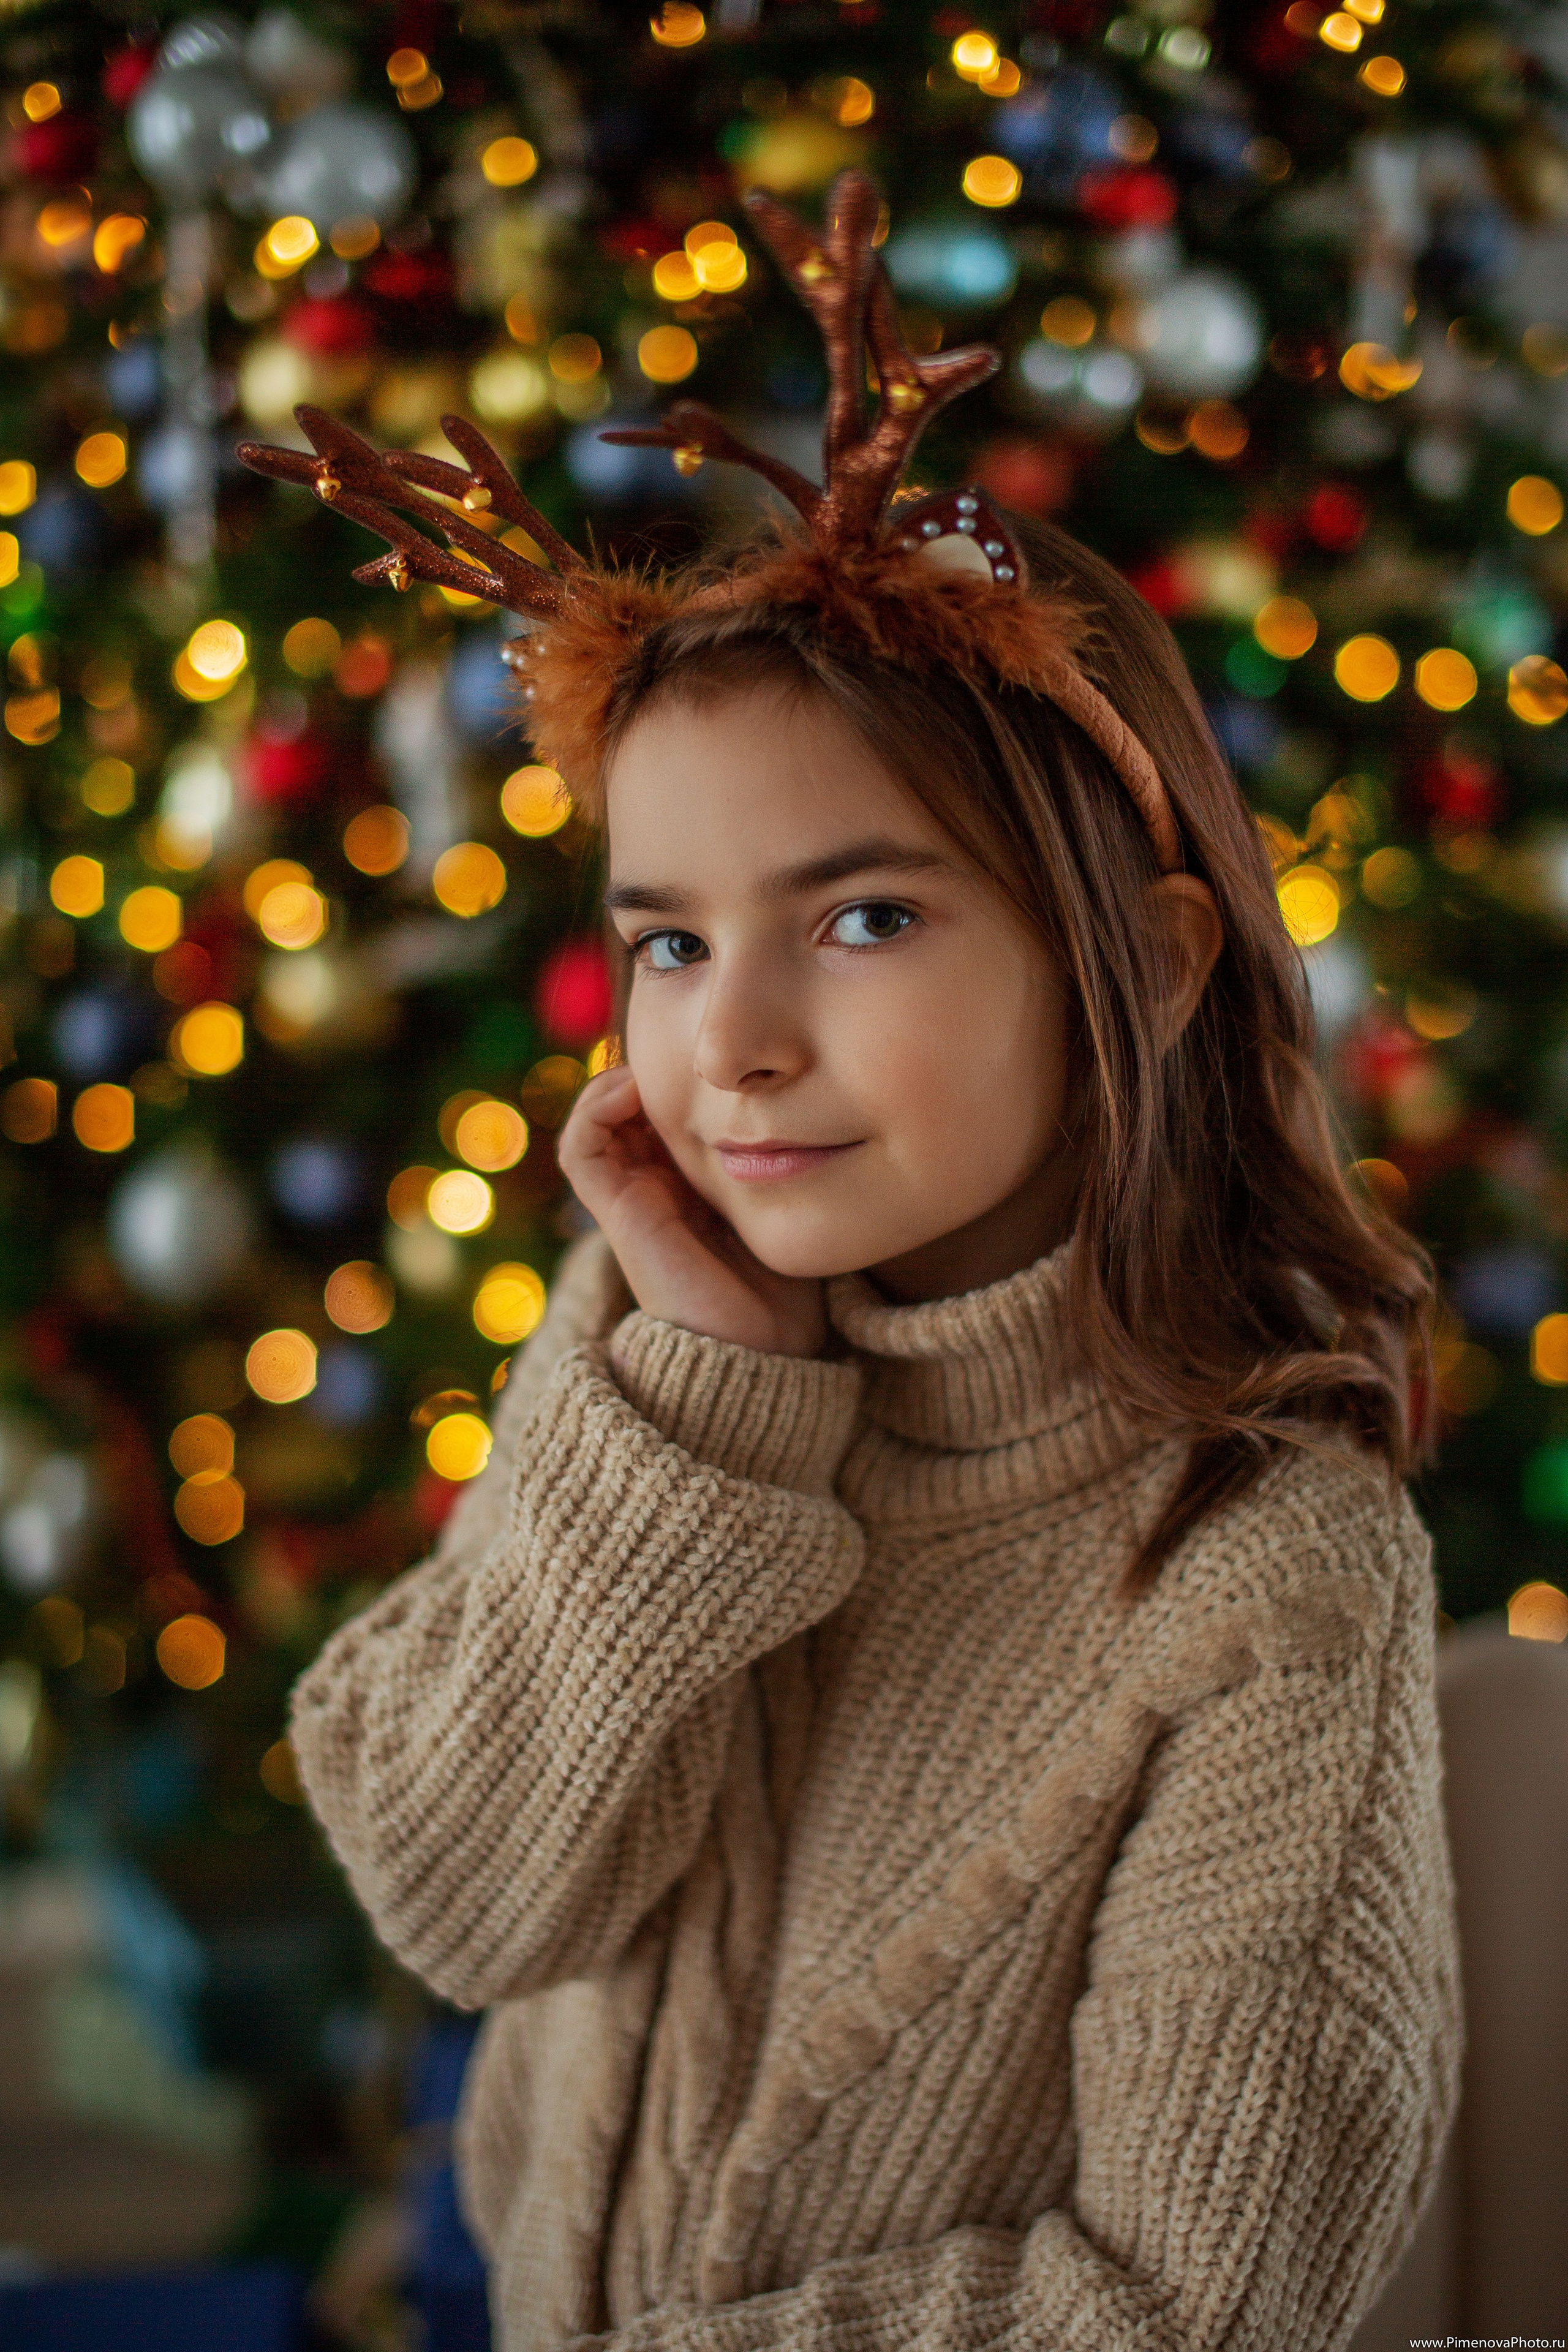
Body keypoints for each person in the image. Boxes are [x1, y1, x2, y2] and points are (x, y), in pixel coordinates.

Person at [263, 173, 1461, 2352]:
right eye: (668, 941)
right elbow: (461, 1900)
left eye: (867, 916)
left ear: (1150, 965)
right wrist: (695, 1390)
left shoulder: (1272, 1575)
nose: (731, 1041)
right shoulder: (656, 1366)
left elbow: (1195, 2301)